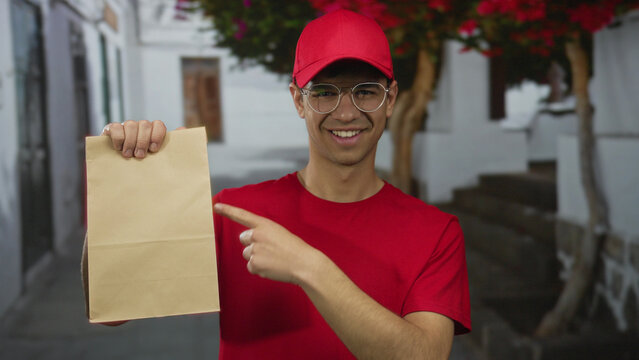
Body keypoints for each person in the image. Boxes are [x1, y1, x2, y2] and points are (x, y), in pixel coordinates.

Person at [83, 9, 470, 359]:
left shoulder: (436, 233)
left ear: (391, 99)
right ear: (298, 101)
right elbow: (111, 306)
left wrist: (309, 267)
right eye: (324, 92)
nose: (347, 112)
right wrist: (126, 181)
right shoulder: (234, 213)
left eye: (365, 91)